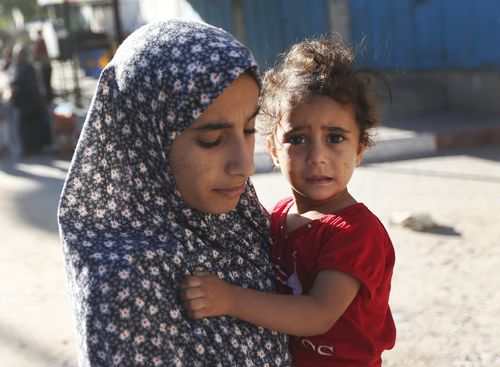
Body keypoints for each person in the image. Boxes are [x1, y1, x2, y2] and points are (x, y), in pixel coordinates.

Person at [58, 20, 291, 366]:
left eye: (247, 129)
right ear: (147, 140)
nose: (245, 165)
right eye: (212, 139)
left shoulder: (241, 220)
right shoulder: (126, 282)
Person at [182, 37, 396, 366]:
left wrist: (229, 299)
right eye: (297, 139)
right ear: (273, 151)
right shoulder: (280, 215)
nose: (317, 157)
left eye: (335, 138)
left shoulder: (356, 233)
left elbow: (317, 314)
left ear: (361, 149)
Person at [9, 44, 48, 155]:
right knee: (24, 128)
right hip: (21, 104)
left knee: (33, 127)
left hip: (30, 103)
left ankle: (35, 147)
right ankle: (28, 148)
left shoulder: (28, 67)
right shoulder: (15, 67)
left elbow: (32, 86)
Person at [32, 29, 53, 102]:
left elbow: (36, 54)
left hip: (45, 66)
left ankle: (49, 98)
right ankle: (49, 97)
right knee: (46, 84)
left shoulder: (39, 42)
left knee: (46, 83)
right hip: (45, 65)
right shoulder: (40, 42)